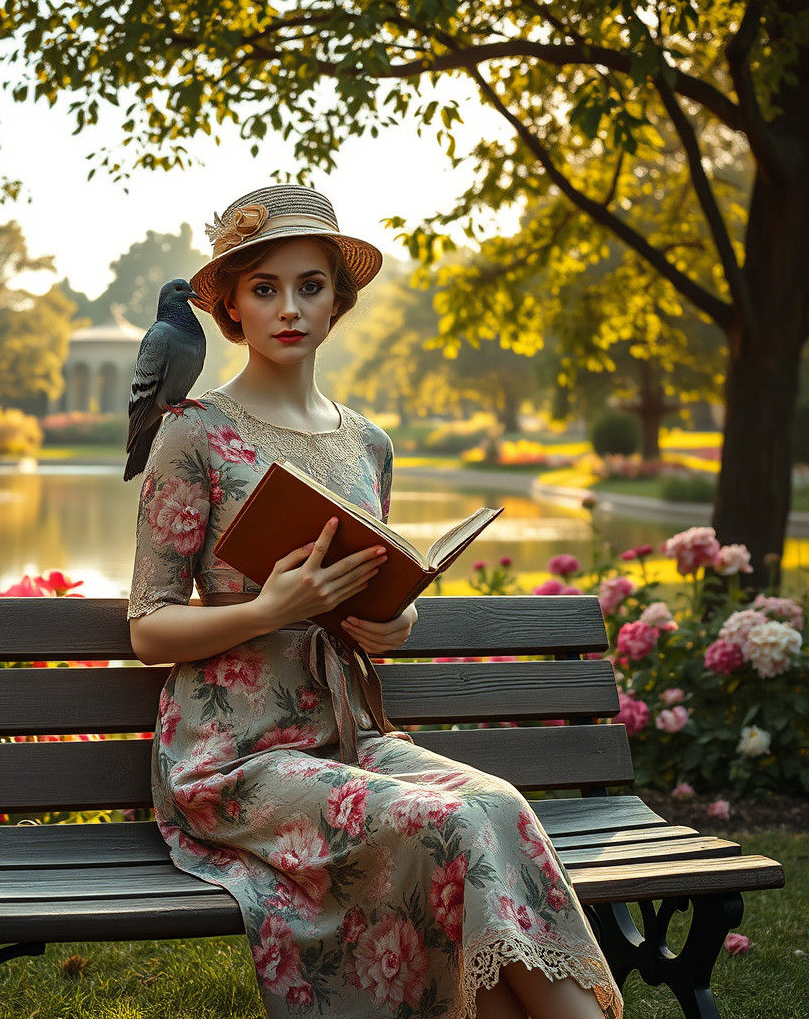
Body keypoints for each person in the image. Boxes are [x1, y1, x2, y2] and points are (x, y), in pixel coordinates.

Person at [127, 183, 624, 1019]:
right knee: (452, 828)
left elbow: (379, 589)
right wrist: (268, 608)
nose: (290, 308)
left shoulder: (368, 444)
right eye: (265, 288)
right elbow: (148, 629)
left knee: (496, 804)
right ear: (232, 310)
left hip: (352, 737)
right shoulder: (192, 431)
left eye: (310, 286)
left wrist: (393, 621)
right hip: (235, 761)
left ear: (339, 300)